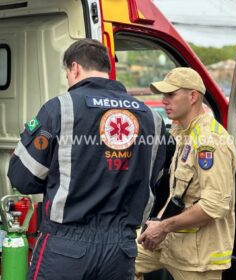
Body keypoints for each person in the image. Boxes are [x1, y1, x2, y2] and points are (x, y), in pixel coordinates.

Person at [7, 39, 166, 280]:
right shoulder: (152, 118)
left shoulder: (60, 108)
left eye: (68, 74)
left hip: (67, 247)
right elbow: (154, 180)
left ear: (75, 68)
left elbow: (23, 178)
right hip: (121, 249)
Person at [135, 67, 236, 280]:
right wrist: (157, 224)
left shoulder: (210, 141)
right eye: (163, 95)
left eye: (171, 95)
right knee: (122, 257)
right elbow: (178, 193)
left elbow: (213, 205)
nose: (164, 101)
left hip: (199, 256)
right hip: (173, 241)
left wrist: (163, 227)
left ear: (193, 96)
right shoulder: (186, 134)